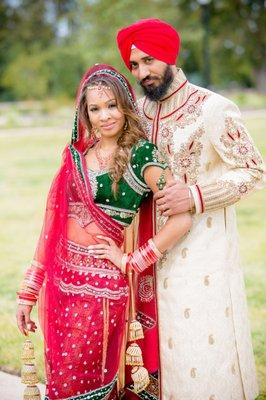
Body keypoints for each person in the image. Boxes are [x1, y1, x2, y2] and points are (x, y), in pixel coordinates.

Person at [16, 64, 192, 400]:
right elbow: (50, 227)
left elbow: (181, 219)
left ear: (126, 104)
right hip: (61, 283)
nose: (105, 116)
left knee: (92, 381)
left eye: (112, 105)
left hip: (103, 289)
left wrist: (132, 260)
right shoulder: (78, 156)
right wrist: (29, 291)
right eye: (95, 109)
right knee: (62, 382)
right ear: (84, 113)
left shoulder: (143, 155)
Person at [116, 18, 265, 400]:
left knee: (202, 353)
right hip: (151, 255)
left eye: (149, 61)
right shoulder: (138, 112)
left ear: (169, 55)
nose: (142, 72)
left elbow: (253, 170)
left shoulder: (213, 108)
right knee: (155, 360)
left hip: (204, 259)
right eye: (134, 65)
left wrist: (195, 195)